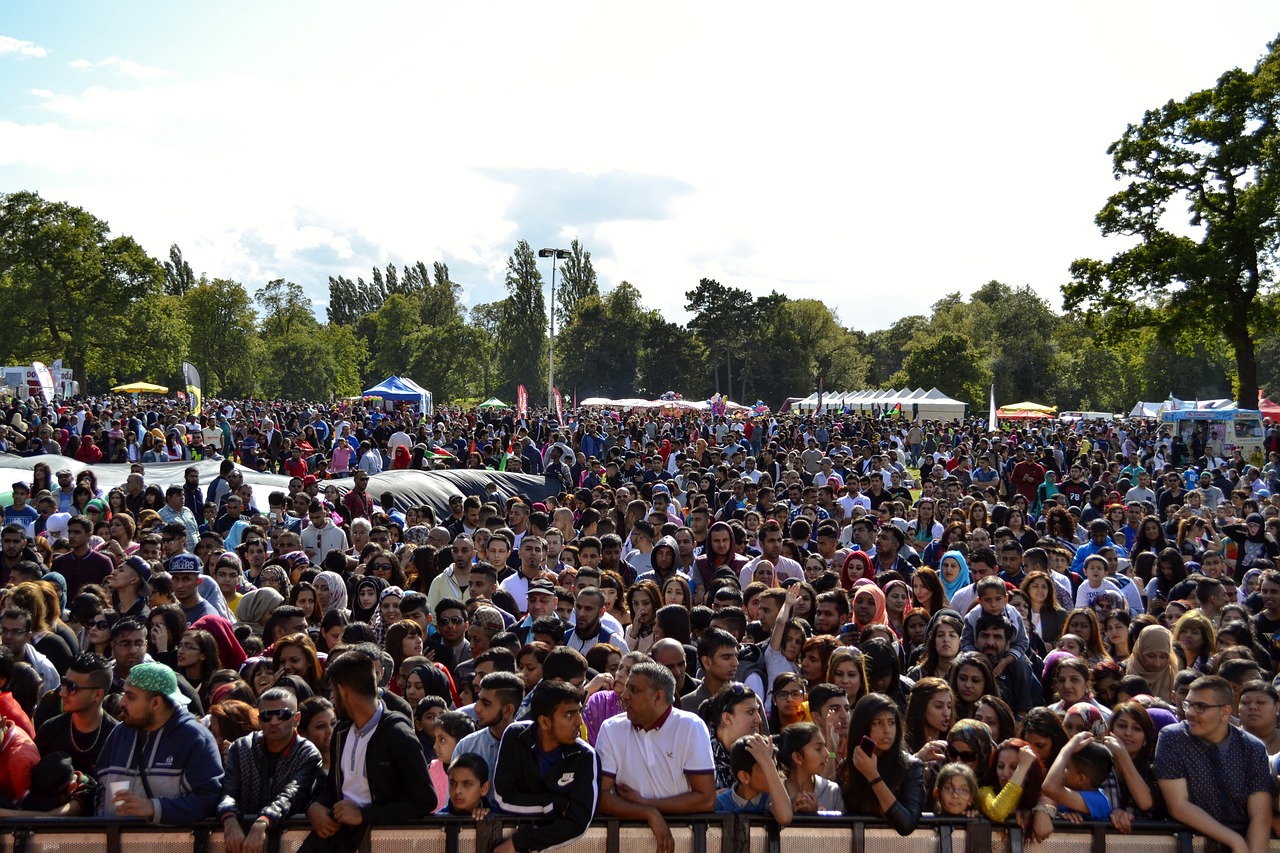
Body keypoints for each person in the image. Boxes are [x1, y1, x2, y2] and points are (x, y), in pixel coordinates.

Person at [303, 650, 434, 853]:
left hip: (386, 844)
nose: (332, 700)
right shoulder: (341, 731)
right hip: (339, 843)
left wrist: (364, 815)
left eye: (333, 693)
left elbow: (424, 799)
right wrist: (316, 806)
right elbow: (334, 787)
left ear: (342, 691)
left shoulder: (398, 734)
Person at [596, 662, 715, 853]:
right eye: (626, 687)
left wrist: (647, 804)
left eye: (633, 689)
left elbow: (706, 799)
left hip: (686, 841)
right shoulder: (611, 729)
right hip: (627, 842)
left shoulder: (691, 726)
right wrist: (648, 813)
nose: (624, 696)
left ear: (658, 697)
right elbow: (600, 797)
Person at [1155, 675, 1272, 853]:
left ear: (1225, 712)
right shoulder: (1172, 738)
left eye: (1201, 707)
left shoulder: (1252, 748)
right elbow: (1178, 806)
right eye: (1188, 704)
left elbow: (1260, 816)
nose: (1191, 713)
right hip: (1190, 844)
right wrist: (1234, 840)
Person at [96, 662, 224, 824]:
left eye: (131, 696)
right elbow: (101, 787)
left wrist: (153, 808)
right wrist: (102, 823)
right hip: (113, 843)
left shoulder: (195, 738)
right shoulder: (120, 733)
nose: (122, 702)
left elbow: (208, 799)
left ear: (156, 703)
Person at [491, 680, 599, 853]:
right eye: (569, 715)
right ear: (544, 722)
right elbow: (504, 799)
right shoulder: (515, 736)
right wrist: (555, 803)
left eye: (580, 711)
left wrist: (519, 843)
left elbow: (578, 823)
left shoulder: (585, 756)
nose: (579, 721)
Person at [218, 687, 324, 853]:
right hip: (242, 844)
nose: (274, 721)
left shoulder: (307, 753)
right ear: (259, 720)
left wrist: (262, 822)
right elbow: (228, 792)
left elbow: (292, 794)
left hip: (291, 843)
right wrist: (230, 822)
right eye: (267, 716)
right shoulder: (241, 747)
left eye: (283, 714)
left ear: (296, 718)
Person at [836, 692, 924, 836]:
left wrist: (873, 775)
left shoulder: (911, 767)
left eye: (891, 722)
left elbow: (906, 824)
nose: (887, 730)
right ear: (863, 727)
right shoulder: (848, 767)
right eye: (877, 723)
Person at [36, 653, 118, 778]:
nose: (62, 693)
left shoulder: (117, 738)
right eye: (64, 682)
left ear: (97, 695)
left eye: (72, 687)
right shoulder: (49, 730)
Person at [714, 733, 793, 825]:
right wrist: (767, 763)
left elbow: (785, 818)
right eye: (765, 768)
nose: (774, 774)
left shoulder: (771, 799)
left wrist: (768, 763)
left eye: (774, 767)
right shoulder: (720, 803)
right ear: (744, 777)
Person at [1042, 731, 1114, 820]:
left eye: (1067, 767)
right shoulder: (1070, 793)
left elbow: (1049, 787)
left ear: (1081, 779)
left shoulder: (1098, 801)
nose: (1062, 770)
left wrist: (1065, 750)